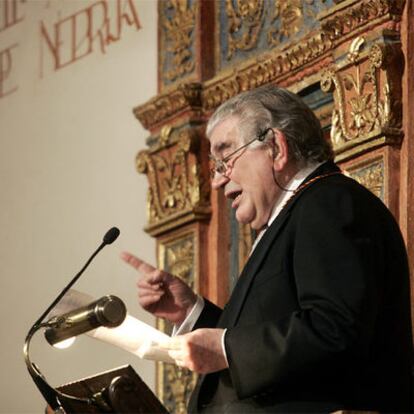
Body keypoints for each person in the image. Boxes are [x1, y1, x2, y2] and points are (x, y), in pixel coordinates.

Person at [122, 85, 413, 413]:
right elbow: (272, 336)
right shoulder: (299, 213)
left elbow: (335, 329)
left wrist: (225, 348)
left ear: (276, 147)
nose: (218, 180)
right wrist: (191, 313)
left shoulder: (328, 202)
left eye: (226, 158)